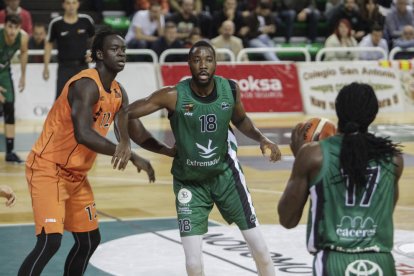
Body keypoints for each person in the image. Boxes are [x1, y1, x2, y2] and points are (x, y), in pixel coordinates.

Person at [116, 40, 281, 276]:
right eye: (196, 60)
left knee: (262, 251)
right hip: (189, 183)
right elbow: (125, 113)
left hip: (226, 178)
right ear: (189, 64)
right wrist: (125, 141)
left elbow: (241, 120)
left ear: (216, 63)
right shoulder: (173, 95)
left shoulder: (231, 90)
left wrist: (262, 138)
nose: (203, 65)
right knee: (193, 264)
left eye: (208, 59)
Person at [17, 29, 175, 276]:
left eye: (123, 49)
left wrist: (168, 151)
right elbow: (83, 134)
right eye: (115, 49)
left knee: (89, 240)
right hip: (48, 169)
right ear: (100, 54)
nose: (121, 53)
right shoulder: (85, 85)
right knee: (50, 242)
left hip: (76, 176)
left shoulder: (118, 91)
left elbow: (137, 132)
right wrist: (128, 153)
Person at [278, 82, 404, 275]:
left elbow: (288, 219)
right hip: (381, 263)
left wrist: (301, 164)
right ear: (373, 115)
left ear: (337, 110)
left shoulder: (314, 156)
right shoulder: (392, 159)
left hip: (333, 261)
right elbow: (384, 211)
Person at [43, 0, 95, 100]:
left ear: (78, 4)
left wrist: (93, 53)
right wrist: (46, 66)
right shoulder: (56, 23)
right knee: (61, 99)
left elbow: (95, 38)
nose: (71, 6)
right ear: (63, 5)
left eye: (74, 2)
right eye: (68, 3)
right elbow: (48, 43)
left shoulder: (86, 20)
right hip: (64, 67)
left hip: (82, 66)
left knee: (84, 98)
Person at [0, 14, 28, 163]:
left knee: (9, 107)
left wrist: (23, 76)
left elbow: (24, 52)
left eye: (15, 27)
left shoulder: (23, 37)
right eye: (9, 26)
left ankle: (10, 152)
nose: (12, 31)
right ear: (5, 26)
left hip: (4, 72)